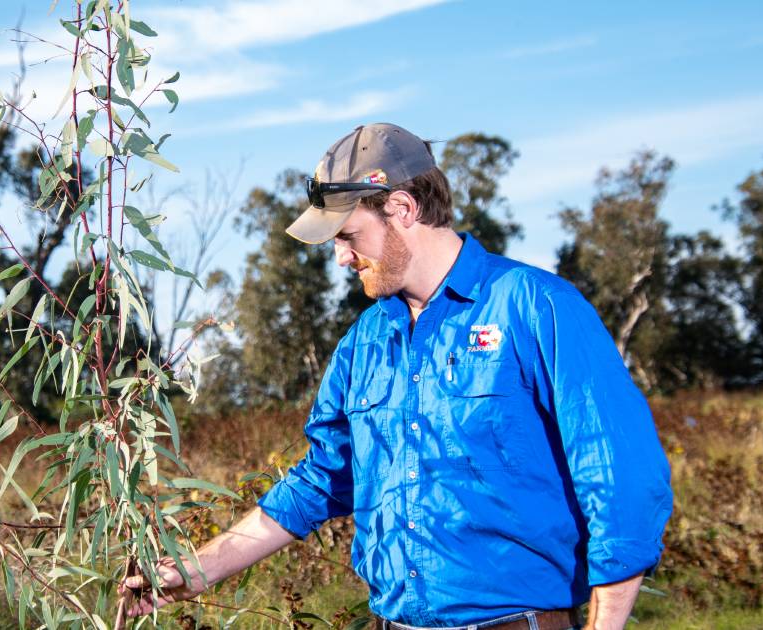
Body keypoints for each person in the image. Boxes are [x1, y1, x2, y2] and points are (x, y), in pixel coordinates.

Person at [120, 123, 673, 630]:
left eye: (348, 235)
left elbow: (620, 477)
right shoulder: (363, 344)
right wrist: (194, 572)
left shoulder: (536, 307)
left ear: (402, 208)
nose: (340, 258)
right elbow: (320, 481)